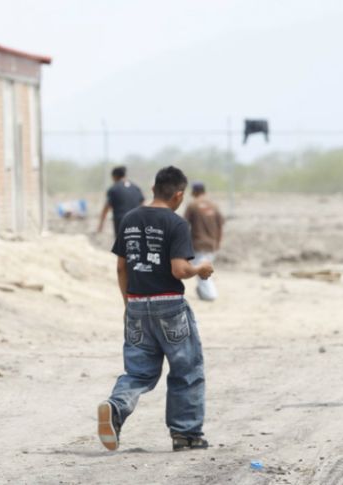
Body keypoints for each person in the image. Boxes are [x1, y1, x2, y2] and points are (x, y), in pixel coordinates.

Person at [97, 166, 214, 452]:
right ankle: (186, 434)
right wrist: (200, 269)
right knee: (186, 370)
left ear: (152, 190)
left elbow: (121, 266)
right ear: (178, 195)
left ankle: (116, 406)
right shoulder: (176, 224)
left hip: (136, 303)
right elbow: (178, 269)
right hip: (169, 306)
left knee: (138, 372)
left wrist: (128, 304)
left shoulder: (129, 219)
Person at [184, 182, 224, 301]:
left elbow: (184, 225)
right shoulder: (214, 205)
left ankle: (210, 295)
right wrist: (218, 242)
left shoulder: (192, 205)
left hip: (198, 244)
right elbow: (220, 226)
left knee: (201, 270)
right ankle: (205, 292)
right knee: (205, 269)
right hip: (212, 244)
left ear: (193, 192)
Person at [97, 166, 144, 237]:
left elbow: (106, 207)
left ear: (114, 176)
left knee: (121, 244)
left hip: (121, 221)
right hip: (136, 221)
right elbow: (142, 205)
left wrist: (101, 225)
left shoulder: (113, 189)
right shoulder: (136, 187)